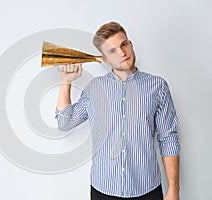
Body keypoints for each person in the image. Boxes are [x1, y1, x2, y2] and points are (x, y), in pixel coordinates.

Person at [55, 22, 180, 200]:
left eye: (123, 45)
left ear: (130, 44)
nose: (122, 53)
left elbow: (168, 138)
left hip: (147, 190)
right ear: (104, 59)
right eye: (112, 51)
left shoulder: (157, 87)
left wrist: (174, 190)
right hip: (103, 190)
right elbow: (65, 123)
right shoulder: (94, 89)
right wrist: (65, 82)